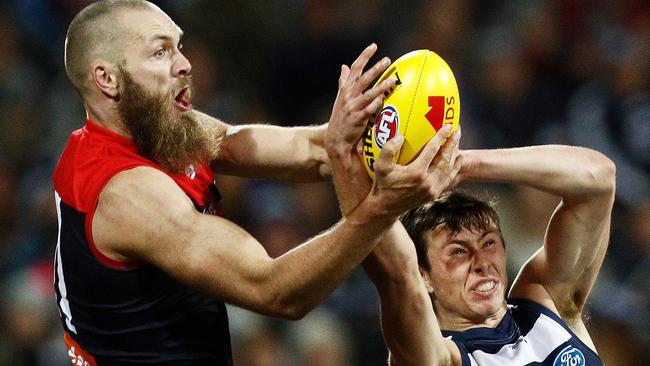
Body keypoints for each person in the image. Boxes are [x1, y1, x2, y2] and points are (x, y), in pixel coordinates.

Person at [53, 1, 445, 364]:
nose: (185, 64)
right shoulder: (127, 194)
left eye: (179, 46)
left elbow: (272, 147)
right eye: (160, 52)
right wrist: (381, 208)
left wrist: (357, 133)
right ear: (107, 78)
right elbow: (275, 290)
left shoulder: (155, 128)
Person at [326, 109, 615, 364]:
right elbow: (396, 272)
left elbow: (598, 178)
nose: (481, 262)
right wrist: (350, 159)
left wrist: (464, 165)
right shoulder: (438, 357)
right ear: (423, 275)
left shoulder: (547, 304)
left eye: (488, 243)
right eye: (458, 252)